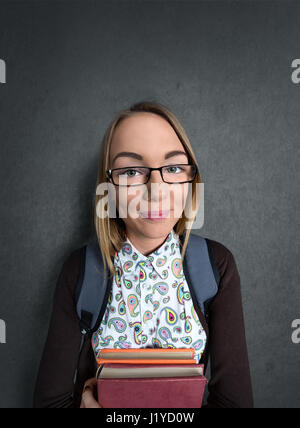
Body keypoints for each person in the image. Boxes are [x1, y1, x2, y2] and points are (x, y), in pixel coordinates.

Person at [33, 101, 254, 408]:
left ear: (191, 181)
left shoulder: (215, 266)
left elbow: (235, 403)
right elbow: (50, 403)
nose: (157, 188)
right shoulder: (81, 270)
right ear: (108, 187)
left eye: (174, 168)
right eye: (132, 171)